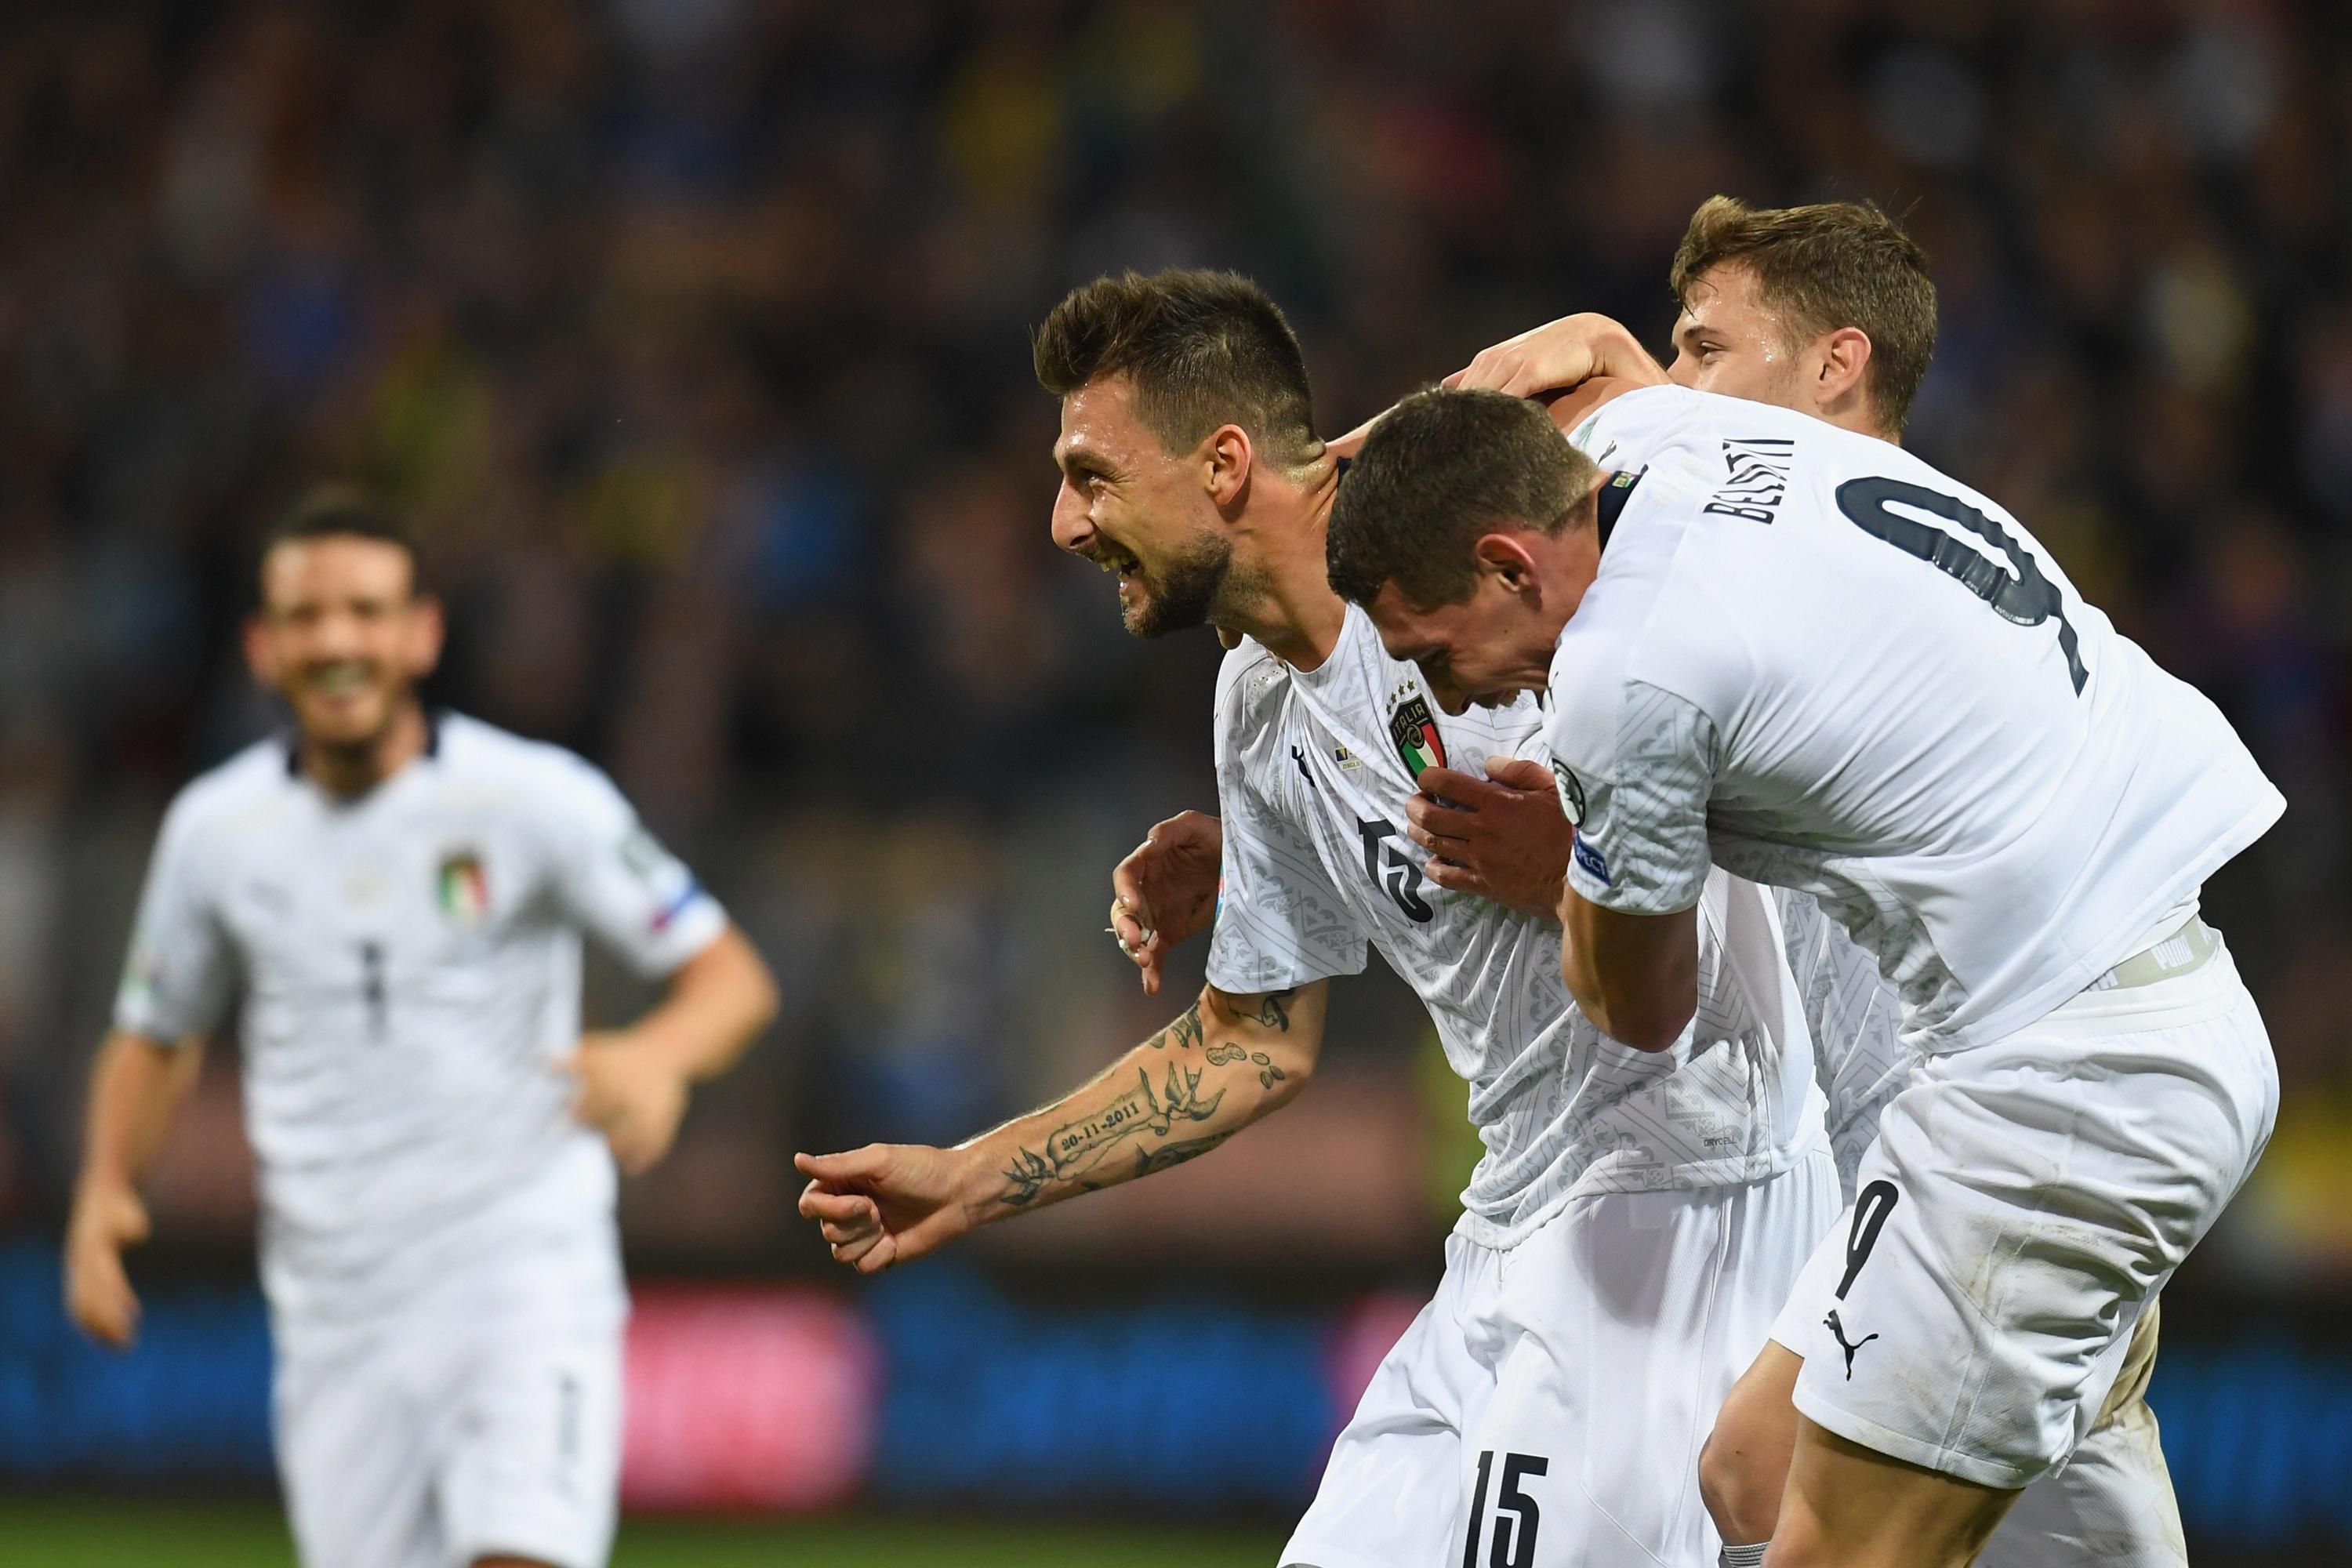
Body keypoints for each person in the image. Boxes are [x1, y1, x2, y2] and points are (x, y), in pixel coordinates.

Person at [797, 267, 1840, 1568]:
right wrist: (969, 1179)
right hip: (1514, 1225)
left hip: (1693, 1206)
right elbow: (1252, 1040)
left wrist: (1580, 862)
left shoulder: (1486, 526)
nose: (1064, 523)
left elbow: (1714, 513)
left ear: (1225, 464)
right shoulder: (1257, 704)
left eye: (1091, 474)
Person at [1325, 381, 2280, 1568]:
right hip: (2103, 1010)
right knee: (1751, 1472)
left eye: (1437, 649)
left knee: (1834, 1546)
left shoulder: (1625, 683)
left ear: (1512, 563)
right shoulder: (1668, 435)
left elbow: (1642, 1007)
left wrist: (1566, 867)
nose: (1453, 696)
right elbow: (1600, 354)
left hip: (2067, 1078)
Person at [64, 491, 780, 1568]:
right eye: (308, 618)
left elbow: (731, 978)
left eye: (366, 610)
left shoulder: (534, 800)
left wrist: (654, 1055)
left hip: (519, 1275)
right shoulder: (216, 832)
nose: (339, 640)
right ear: (263, 646)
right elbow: (156, 1031)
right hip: (334, 1309)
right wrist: (105, 1189)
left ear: (421, 632)